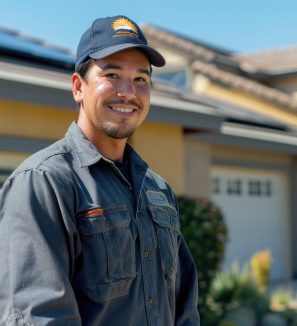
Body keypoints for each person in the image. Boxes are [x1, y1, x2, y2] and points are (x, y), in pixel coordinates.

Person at [0, 15, 199, 325]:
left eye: (141, 79)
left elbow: (184, 307)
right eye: (112, 74)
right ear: (78, 87)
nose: (128, 92)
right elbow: (40, 315)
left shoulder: (157, 190)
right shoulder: (44, 182)